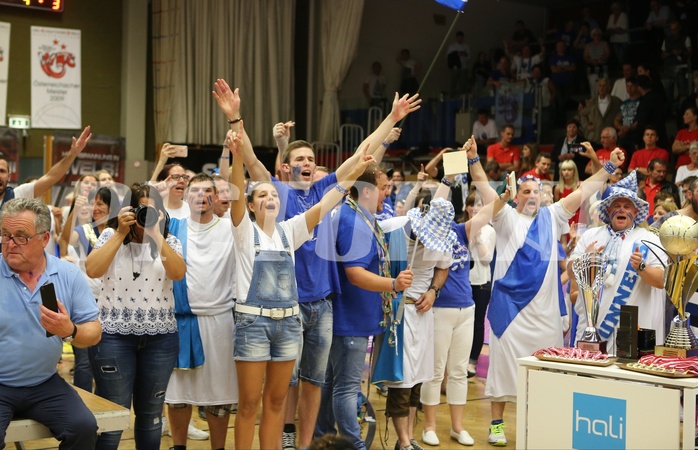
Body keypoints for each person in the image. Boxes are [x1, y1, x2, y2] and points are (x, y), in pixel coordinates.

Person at [212, 80, 420, 450]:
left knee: (312, 383)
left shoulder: (323, 193)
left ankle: (304, 445)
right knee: (280, 389)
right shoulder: (275, 193)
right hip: (278, 308)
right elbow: (248, 161)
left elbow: (362, 153)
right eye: (299, 159)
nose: (307, 163)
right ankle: (285, 440)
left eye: (311, 159)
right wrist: (235, 119)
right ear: (286, 168)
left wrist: (391, 117)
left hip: (321, 304)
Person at [227, 128, 376, 450]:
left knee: (277, 403)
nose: (269, 199)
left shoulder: (290, 230)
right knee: (249, 404)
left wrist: (356, 172)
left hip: (287, 325)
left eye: (274, 196)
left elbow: (328, 200)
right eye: (262, 195)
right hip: (253, 325)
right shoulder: (242, 231)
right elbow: (236, 191)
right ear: (251, 206)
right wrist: (237, 155)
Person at [472, 144, 624, 446]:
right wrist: (474, 159)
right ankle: (497, 424)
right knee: (503, 369)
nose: (531, 196)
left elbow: (583, 191)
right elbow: (484, 186)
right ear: (517, 196)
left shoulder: (553, 216)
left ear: (544, 196)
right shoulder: (504, 217)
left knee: (546, 370)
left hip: (545, 313)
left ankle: (540, 421)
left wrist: (608, 168)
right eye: (525, 191)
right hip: (510, 310)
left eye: (536, 191)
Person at [315, 161, 413, 450]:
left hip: (348, 314)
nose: (386, 194)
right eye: (383, 188)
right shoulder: (354, 221)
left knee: (332, 384)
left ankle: (323, 436)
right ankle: (354, 444)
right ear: (367, 190)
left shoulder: (354, 214)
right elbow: (355, 274)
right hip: (351, 318)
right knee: (346, 388)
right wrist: (393, 284)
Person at [86, 183, 186, 450]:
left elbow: (177, 273)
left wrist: (157, 236)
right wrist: (120, 231)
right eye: (141, 209)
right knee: (113, 416)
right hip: (113, 337)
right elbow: (93, 270)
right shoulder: (111, 235)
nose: (146, 215)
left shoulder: (170, 241)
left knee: (151, 417)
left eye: (152, 211)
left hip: (160, 339)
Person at [0, 197, 102, 450]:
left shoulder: (67, 274)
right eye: (4, 235)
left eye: (21, 236)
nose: (10, 244)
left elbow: (94, 332)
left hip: (44, 382)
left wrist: (70, 331)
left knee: (83, 428)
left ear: (45, 239)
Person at [164, 173, 238, 450]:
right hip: (180, 321)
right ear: (185, 195)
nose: (202, 195)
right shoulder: (172, 228)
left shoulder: (231, 229)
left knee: (220, 396)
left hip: (220, 322)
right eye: (195, 190)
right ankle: (178, 446)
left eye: (209, 190)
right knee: (178, 394)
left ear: (216, 197)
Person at [570, 171, 666, 354]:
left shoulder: (649, 240)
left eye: (627, 206)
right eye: (617, 205)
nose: (622, 210)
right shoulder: (591, 236)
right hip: (592, 331)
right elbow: (572, 274)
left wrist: (641, 267)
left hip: (633, 332)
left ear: (636, 212)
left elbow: (662, 281)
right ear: (607, 211)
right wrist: (586, 262)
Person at [58, 187, 120, 393]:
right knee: (84, 360)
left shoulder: (122, 233)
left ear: (113, 207)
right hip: (86, 303)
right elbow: (65, 239)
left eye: (101, 203)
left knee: (106, 359)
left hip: (113, 304)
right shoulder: (84, 230)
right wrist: (74, 212)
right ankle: (82, 403)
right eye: (93, 203)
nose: (96, 208)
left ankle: (105, 404)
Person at [464, 192, 494, 379]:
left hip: (481, 283)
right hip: (462, 282)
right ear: (466, 207)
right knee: (462, 322)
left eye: (479, 205)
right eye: (471, 204)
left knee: (477, 322)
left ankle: (472, 361)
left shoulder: (489, 230)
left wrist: (478, 239)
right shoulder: (460, 227)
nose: (474, 208)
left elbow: (486, 259)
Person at [661, 21, 692, 116]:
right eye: (672, 30)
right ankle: (669, 111)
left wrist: (681, 52)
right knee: (667, 92)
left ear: (679, 29)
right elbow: (662, 55)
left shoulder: (685, 38)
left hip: (681, 67)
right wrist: (671, 52)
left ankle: (682, 110)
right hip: (669, 68)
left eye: (675, 29)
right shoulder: (667, 40)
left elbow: (690, 52)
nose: (674, 32)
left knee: (682, 90)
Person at [578, 77, 621, 145]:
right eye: (600, 85)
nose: (602, 88)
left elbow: (621, 113)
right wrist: (587, 125)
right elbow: (583, 114)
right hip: (595, 137)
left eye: (604, 86)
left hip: (610, 137)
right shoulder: (592, 101)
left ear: (609, 87)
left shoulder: (615, 101)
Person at [549, 41, 576, 126]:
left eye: (562, 45)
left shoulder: (569, 57)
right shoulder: (553, 58)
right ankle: (560, 121)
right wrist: (566, 68)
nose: (561, 47)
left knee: (564, 101)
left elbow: (573, 68)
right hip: (557, 83)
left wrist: (560, 68)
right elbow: (554, 70)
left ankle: (562, 120)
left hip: (567, 82)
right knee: (560, 102)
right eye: (559, 45)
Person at [614, 76, 641, 151]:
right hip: (624, 134)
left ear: (636, 86)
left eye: (631, 86)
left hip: (636, 134)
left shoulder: (641, 101)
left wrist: (629, 128)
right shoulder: (624, 103)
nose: (629, 88)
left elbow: (641, 119)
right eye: (627, 86)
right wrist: (621, 127)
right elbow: (617, 120)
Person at [583, 28, 611, 94]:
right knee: (594, 88)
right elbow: (585, 56)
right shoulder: (588, 45)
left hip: (602, 67)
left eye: (598, 35)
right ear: (592, 36)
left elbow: (608, 53)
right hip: (592, 68)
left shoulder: (604, 43)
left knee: (604, 86)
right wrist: (591, 61)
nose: (597, 36)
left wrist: (602, 58)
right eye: (595, 35)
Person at [447, 31, 470, 97]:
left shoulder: (466, 46)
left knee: (463, 84)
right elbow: (448, 57)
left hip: (464, 67)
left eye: (461, 38)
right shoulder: (452, 46)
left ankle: (462, 98)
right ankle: (452, 98)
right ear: (456, 38)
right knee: (453, 83)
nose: (460, 39)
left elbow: (469, 56)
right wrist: (456, 54)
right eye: (459, 38)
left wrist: (464, 54)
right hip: (455, 68)